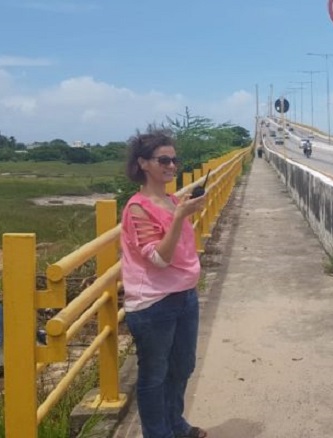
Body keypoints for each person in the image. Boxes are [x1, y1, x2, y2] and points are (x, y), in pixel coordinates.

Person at [120, 129, 208, 438]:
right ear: (143, 163)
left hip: (184, 296)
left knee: (182, 367)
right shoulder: (137, 208)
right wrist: (181, 216)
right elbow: (159, 259)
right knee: (154, 376)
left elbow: (181, 248)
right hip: (153, 304)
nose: (171, 166)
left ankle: (176, 425)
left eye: (174, 159)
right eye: (163, 160)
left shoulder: (173, 200)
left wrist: (184, 211)